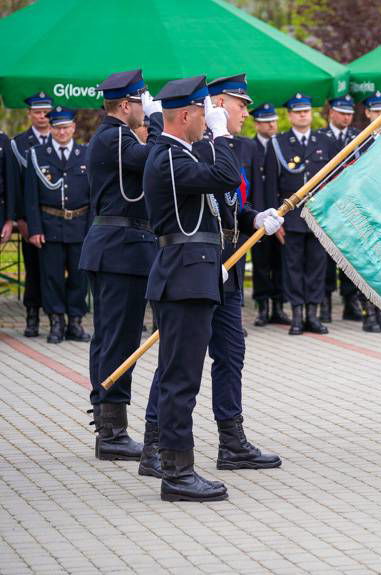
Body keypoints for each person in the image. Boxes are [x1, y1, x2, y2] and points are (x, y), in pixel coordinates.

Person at [140, 74, 284, 481]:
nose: (245, 113)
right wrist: (220, 136)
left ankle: (231, 440)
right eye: (239, 105)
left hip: (223, 266)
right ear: (216, 104)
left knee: (229, 355)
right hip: (195, 265)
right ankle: (158, 448)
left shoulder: (201, 148)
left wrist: (253, 215)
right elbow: (211, 187)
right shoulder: (192, 149)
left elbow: (226, 201)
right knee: (179, 363)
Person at [143, 75, 242, 502]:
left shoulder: (176, 155)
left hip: (191, 274)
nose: (209, 120)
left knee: (180, 376)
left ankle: (174, 464)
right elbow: (225, 176)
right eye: (204, 113)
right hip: (184, 277)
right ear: (186, 114)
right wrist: (222, 135)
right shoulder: (168, 157)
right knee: (181, 379)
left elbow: (217, 198)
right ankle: (177, 474)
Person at [81, 69, 164, 461]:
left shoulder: (119, 137)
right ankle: (111, 431)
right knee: (117, 339)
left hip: (122, 249)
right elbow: (155, 158)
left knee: (116, 337)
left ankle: (110, 426)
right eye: (142, 102)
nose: (144, 111)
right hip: (118, 250)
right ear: (127, 104)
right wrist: (164, 122)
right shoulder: (114, 138)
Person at [264, 93, 332, 336]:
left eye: (306, 110)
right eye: (297, 111)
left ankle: (313, 315)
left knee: (317, 266)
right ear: (289, 115)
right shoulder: (279, 143)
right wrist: (275, 219)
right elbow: (271, 183)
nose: (303, 114)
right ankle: (296, 315)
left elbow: (333, 181)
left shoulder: (324, 141)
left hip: (317, 217)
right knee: (292, 267)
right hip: (290, 217)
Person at [24, 106, 91, 345]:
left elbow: (93, 196)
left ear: (73, 128)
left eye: (66, 127)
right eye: (57, 128)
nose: (62, 132)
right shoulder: (37, 155)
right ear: (51, 129)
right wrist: (35, 229)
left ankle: (75, 321)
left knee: (78, 276)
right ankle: (56, 322)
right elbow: (30, 197)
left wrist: (91, 229)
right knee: (51, 277)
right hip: (50, 224)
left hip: (79, 225)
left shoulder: (85, 154)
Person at [11, 92, 54, 337]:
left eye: (46, 112)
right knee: (34, 270)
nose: (42, 117)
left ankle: (56, 319)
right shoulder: (19, 143)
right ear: (29, 114)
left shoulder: (59, 139)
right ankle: (32, 316)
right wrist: (21, 219)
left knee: (55, 272)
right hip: (30, 219)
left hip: (55, 219)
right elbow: (17, 187)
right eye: (37, 112)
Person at [318, 95, 363, 324]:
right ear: (331, 113)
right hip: (327, 207)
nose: (346, 117)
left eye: (350, 113)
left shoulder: (360, 137)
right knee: (326, 257)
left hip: (351, 207)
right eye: (342, 112)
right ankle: (325, 301)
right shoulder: (319, 137)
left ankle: (350, 300)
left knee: (351, 255)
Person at [355, 91, 381, 333]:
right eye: (376, 111)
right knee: (369, 263)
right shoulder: (357, 142)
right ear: (368, 113)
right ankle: (368, 311)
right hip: (365, 211)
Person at [245, 103, 290, 327]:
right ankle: (263, 307)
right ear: (257, 124)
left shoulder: (282, 145)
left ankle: (279, 306)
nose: (272, 124)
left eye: (273, 120)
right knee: (261, 264)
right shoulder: (251, 146)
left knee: (280, 263)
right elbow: (253, 187)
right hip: (258, 214)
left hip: (280, 214)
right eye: (266, 121)